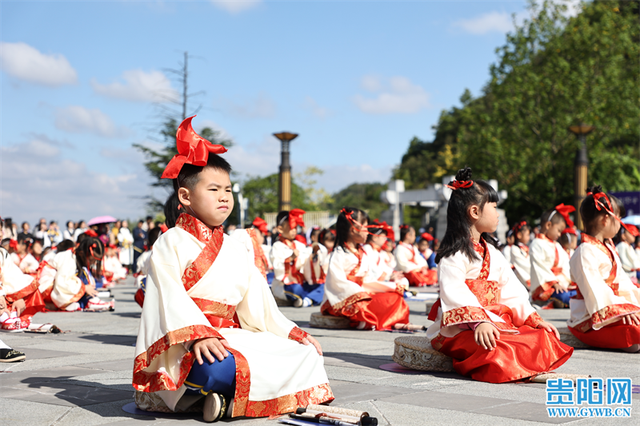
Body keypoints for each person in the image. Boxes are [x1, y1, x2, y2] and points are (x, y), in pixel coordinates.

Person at [133, 116, 332, 421]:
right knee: (214, 365)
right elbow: (169, 297)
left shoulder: (236, 247)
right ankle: (201, 392)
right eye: (213, 189)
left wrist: (292, 333)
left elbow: (260, 307)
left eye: (227, 189)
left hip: (230, 336)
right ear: (185, 196)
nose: (225, 196)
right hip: (189, 343)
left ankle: (210, 399)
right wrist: (198, 335)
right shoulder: (170, 241)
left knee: (304, 354)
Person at [426, 167, 572, 383]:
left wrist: (533, 319)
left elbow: (512, 291)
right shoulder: (454, 255)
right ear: (475, 212)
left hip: (495, 321)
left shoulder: (493, 253)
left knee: (541, 336)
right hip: (463, 328)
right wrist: (479, 321)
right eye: (494, 207)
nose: (497, 212)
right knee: (497, 347)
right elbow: (454, 291)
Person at [567, 186, 640, 351]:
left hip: (616, 310)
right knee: (635, 331)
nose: (620, 223)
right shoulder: (584, 252)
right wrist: (622, 310)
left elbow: (624, 284)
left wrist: (632, 306)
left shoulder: (609, 247)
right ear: (605, 219)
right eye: (619, 218)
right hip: (589, 320)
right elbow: (596, 290)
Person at [322, 207, 417, 331]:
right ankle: (372, 322)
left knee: (395, 297)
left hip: (363, 294)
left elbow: (367, 280)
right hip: (343, 299)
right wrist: (359, 293)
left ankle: (389, 321)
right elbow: (336, 282)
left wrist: (389, 286)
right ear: (353, 229)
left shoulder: (362, 252)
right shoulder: (339, 253)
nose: (368, 232)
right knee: (367, 306)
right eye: (366, 228)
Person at [529, 204, 577, 308]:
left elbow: (566, 264)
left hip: (561, 284)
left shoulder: (557, 245)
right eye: (559, 230)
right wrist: (553, 283)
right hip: (548, 287)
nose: (560, 234)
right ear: (548, 225)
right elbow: (539, 267)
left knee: (578, 295)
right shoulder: (536, 243)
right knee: (568, 299)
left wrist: (568, 281)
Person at [0, 222, 45, 330]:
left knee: (30, 284)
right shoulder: (12, 255)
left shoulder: (2, 253)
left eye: (0, 230)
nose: (0, 234)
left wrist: (18, 296)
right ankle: (4, 316)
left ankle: (11, 314)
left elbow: (13, 275)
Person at [270, 209, 319, 307]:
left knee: (321, 286)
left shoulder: (299, 245)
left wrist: (313, 256)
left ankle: (305, 300)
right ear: (280, 229)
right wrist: (291, 258)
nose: (294, 230)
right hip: (285, 285)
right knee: (296, 289)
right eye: (290, 227)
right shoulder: (277, 246)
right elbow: (277, 268)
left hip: (301, 281)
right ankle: (309, 299)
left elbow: (306, 265)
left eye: (295, 227)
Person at [36, 239, 87, 311]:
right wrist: (84, 287)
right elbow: (62, 280)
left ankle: (49, 304)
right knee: (79, 285)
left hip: (43, 284)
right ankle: (55, 304)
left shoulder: (65, 255)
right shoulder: (68, 256)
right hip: (46, 284)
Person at [133, 226, 164, 308]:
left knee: (140, 280)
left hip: (147, 289)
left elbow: (140, 272)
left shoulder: (144, 255)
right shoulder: (164, 253)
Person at [510, 221, 532, 288]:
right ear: (519, 235)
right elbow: (522, 264)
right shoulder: (514, 249)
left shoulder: (526, 248)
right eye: (527, 235)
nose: (529, 237)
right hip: (521, 278)